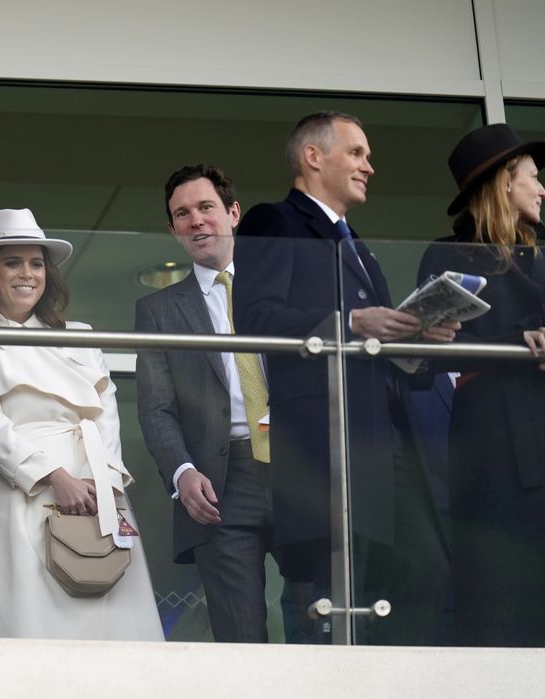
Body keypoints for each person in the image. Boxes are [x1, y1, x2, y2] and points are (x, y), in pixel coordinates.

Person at [233, 111, 456, 644]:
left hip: (389, 442)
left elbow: (376, 346)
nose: (369, 167)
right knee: (339, 599)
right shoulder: (275, 221)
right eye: (357, 153)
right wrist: (350, 322)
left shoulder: (357, 244)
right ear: (314, 157)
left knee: (423, 579)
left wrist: (417, 341)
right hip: (328, 449)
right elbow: (257, 320)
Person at [0, 208, 163, 640]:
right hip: (19, 491)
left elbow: (106, 415)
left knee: (115, 630)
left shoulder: (79, 335)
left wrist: (101, 484)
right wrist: (53, 477)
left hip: (96, 493)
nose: (27, 274)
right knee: (27, 625)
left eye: (36, 263)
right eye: (12, 262)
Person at [134, 165, 276, 642]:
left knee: (320, 621)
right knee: (240, 637)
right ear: (173, 230)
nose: (196, 220)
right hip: (222, 482)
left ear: (233, 213)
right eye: (182, 214)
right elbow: (156, 407)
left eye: (206, 208)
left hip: (296, 466)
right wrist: (181, 471)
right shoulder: (158, 310)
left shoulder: (280, 286)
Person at [416, 123, 545, 646]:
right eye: (534, 177)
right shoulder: (447, 255)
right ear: (504, 183)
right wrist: (521, 340)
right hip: (491, 435)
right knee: (498, 592)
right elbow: (424, 356)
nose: (543, 189)